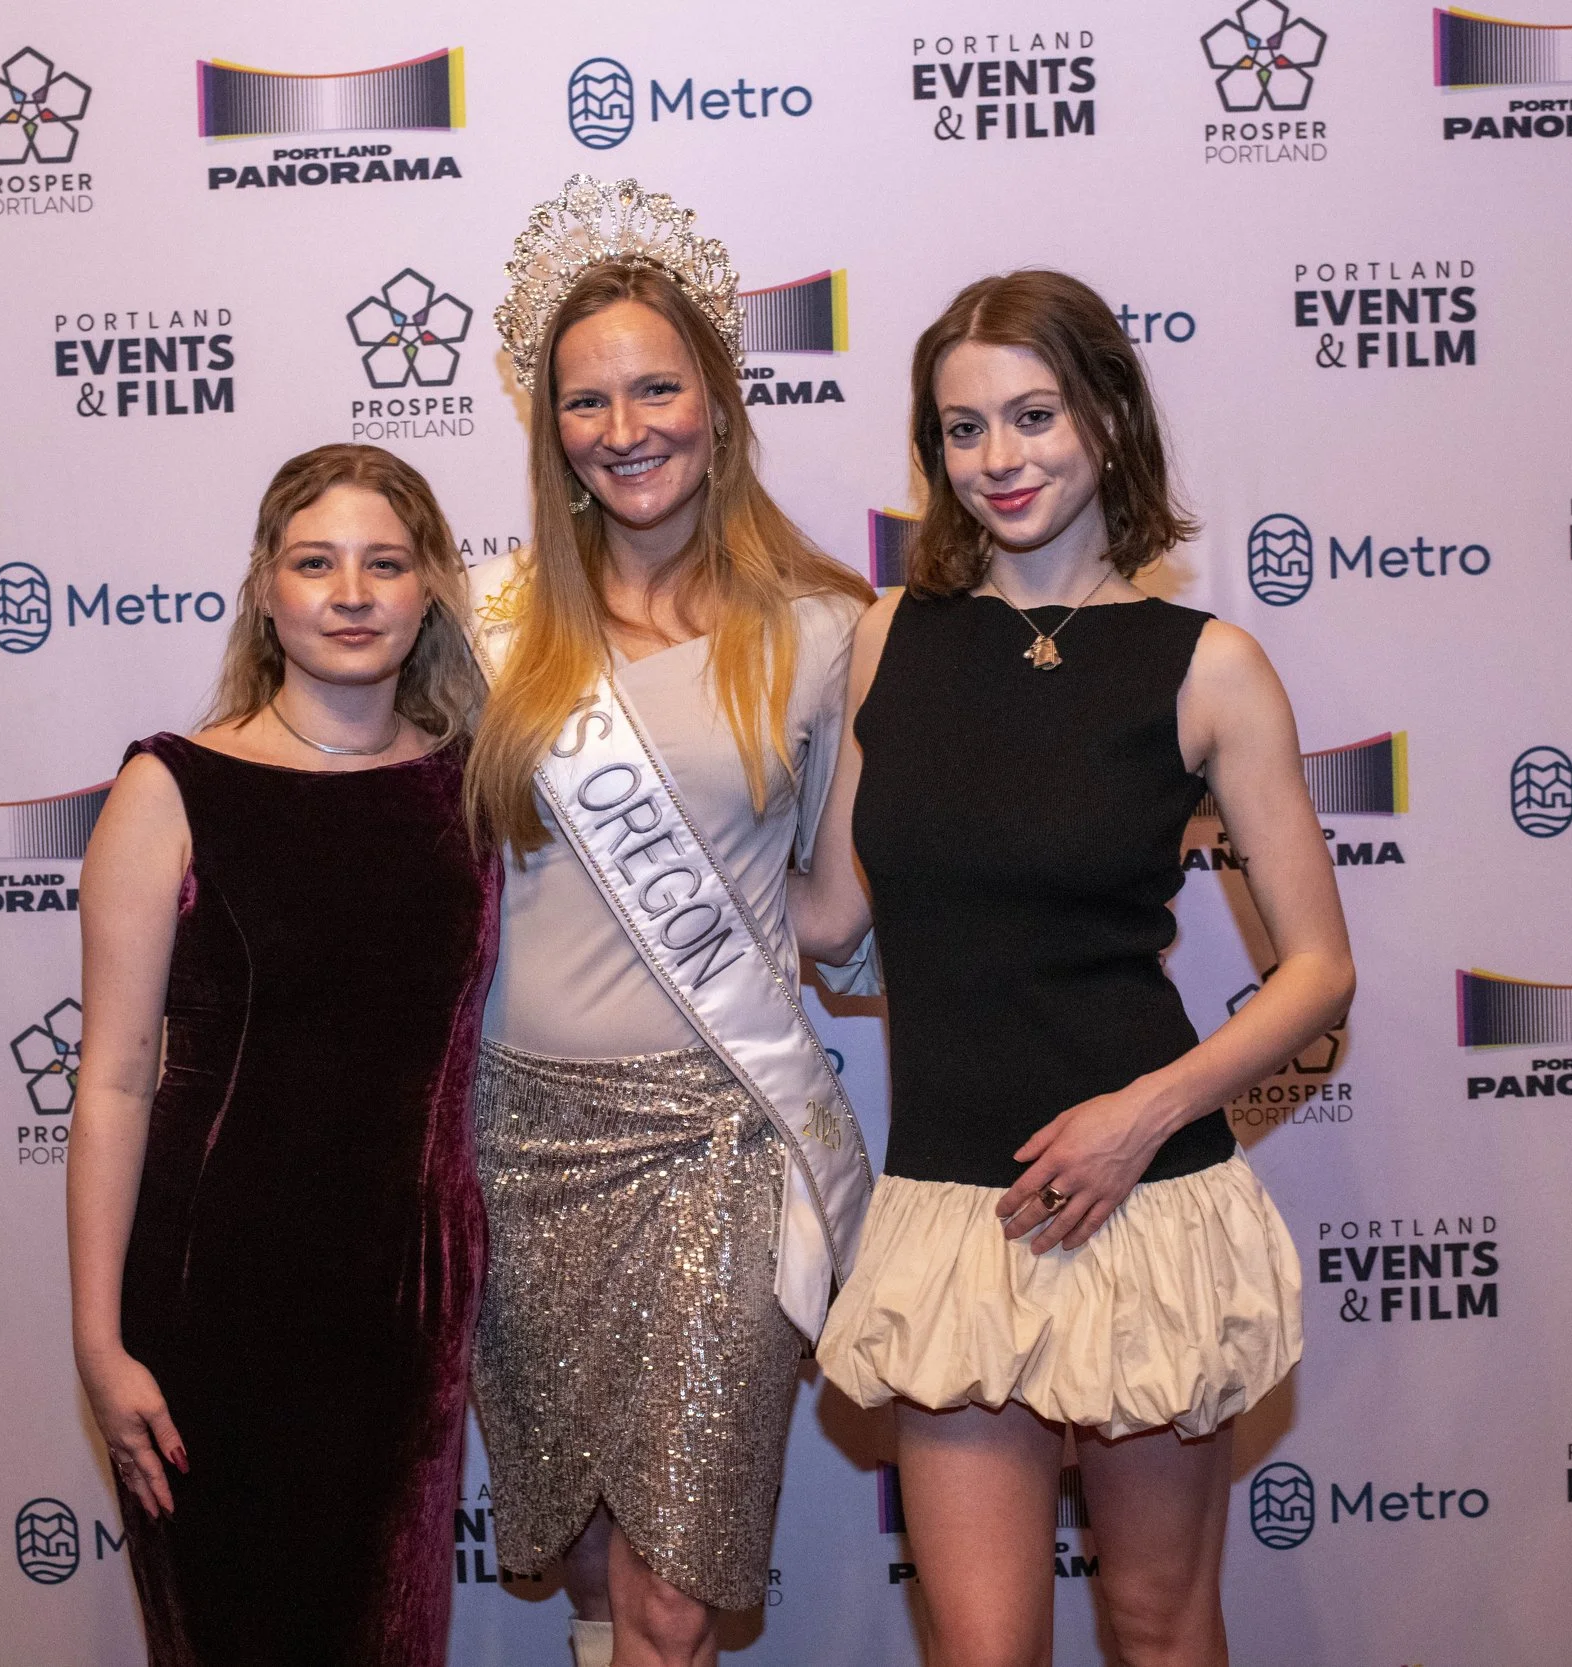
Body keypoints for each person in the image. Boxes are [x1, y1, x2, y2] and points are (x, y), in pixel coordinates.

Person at [792, 270, 1354, 1667]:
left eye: (1033, 414)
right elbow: (833, 912)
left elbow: (1320, 970)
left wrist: (1141, 1114)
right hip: (950, 1207)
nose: (1001, 458)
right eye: (964, 429)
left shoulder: (1210, 664)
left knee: (1160, 1625)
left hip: (1141, 1203)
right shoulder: (886, 638)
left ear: (1105, 417)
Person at [464, 175, 876, 1667]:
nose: (625, 427)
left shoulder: (829, 630)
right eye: (587, 401)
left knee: (679, 1589)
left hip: (719, 1137)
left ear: (718, 400)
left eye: (657, 388)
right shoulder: (484, 626)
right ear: (551, 430)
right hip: (519, 1138)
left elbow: (832, 911)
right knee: (583, 1553)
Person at [66, 444, 497, 1667]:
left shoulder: (469, 789)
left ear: (429, 593)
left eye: (384, 562)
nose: (350, 591)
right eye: (316, 562)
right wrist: (99, 1342)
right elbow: (111, 1078)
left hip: (403, 1309)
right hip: (211, 1308)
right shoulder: (172, 786)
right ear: (266, 588)